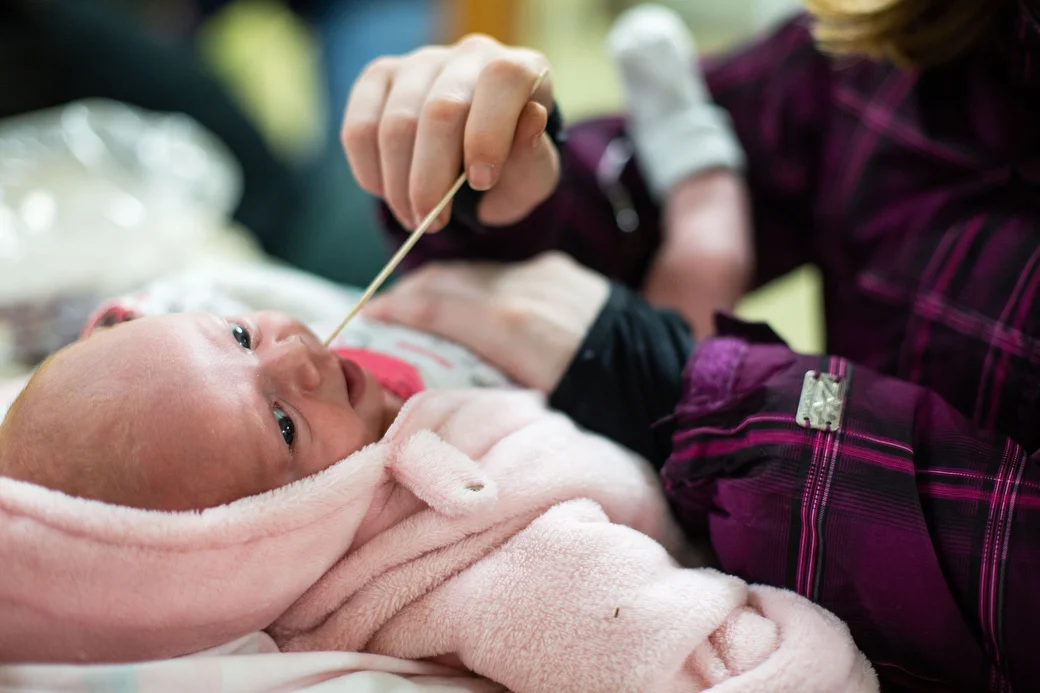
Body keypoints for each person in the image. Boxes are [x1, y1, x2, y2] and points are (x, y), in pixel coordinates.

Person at [339, 1, 1040, 690]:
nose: (291, 350)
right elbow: (626, 192)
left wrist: (695, 389)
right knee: (704, 239)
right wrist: (504, 190)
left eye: (288, 423)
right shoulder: (916, 46)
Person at [0, 296, 875, 693]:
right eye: (282, 424)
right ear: (259, 529)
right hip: (733, 497)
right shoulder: (498, 573)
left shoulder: (346, 396)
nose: (297, 355)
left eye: (236, 333)